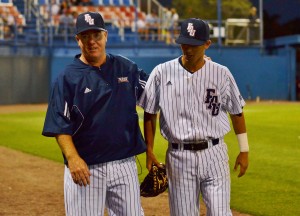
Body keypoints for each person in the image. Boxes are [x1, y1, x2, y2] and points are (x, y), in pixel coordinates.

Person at [138, 18, 249, 216]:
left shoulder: (221, 73)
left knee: (220, 212)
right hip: (179, 156)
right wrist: (149, 150)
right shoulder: (161, 72)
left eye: (194, 45)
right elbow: (149, 112)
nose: (188, 49)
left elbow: (237, 112)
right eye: (184, 43)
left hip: (214, 153)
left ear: (207, 44)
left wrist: (244, 150)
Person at [42, 11, 148, 216]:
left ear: (106, 35)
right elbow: (59, 125)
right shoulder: (67, 78)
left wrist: (186, 67)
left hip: (124, 164)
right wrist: (72, 159)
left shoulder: (126, 67)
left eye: (96, 35)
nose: (92, 41)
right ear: (78, 40)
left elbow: (155, 91)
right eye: (85, 36)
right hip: (86, 168)